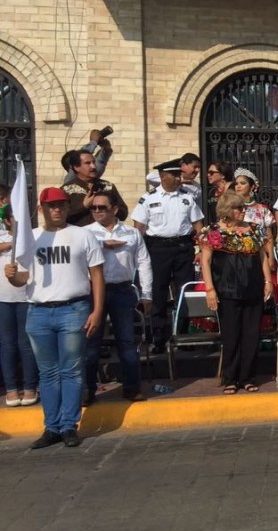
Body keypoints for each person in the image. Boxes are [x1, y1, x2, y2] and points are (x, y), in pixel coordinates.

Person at [5, 187, 105, 449]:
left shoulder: (83, 235)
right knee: (47, 373)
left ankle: (69, 425)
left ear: (69, 207)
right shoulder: (31, 238)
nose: (57, 209)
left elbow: (97, 275)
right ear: (41, 209)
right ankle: (52, 427)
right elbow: (23, 279)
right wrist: (12, 276)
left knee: (71, 370)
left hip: (74, 309)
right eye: (51, 205)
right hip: (38, 311)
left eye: (61, 204)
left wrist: (97, 311)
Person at [200, 192, 273, 394]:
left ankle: (247, 377)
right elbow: (205, 261)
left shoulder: (254, 229)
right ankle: (230, 378)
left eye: (243, 208)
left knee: (251, 335)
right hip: (227, 290)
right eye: (238, 208)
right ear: (227, 210)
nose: (243, 211)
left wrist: (268, 281)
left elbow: (262, 256)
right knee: (231, 335)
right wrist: (209, 289)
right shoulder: (213, 231)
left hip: (253, 288)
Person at [84, 191, 152, 404]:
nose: (97, 211)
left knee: (126, 341)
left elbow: (144, 262)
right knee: (90, 343)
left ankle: (131, 387)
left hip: (122, 289)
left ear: (114, 209)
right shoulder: (85, 233)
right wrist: (102, 245)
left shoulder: (131, 233)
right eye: (93, 208)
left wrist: (146, 294)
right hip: (93, 291)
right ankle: (88, 390)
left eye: (102, 207)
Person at [132, 159, 205, 354]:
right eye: (174, 175)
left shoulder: (187, 197)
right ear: (163, 176)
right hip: (158, 249)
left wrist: (201, 249)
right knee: (159, 292)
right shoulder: (148, 198)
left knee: (184, 291)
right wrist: (138, 253)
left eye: (179, 175)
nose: (179, 178)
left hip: (183, 247)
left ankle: (183, 336)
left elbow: (198, 224)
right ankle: (158, 338)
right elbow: (139, 228)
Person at [0, 203, 37, 407]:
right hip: (3, 299)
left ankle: (30, 386)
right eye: (14, 218)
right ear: (7, 221)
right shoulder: (2, 237)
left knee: (26, 344)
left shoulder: (33, 239)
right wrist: (8, 245)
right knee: (7, 345)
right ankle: (11, 389)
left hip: (26, 298)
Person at [63, 151, 129, 227]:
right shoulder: (66, 189)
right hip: (80, 232)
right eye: (88, 163)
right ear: (76, 167)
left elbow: (123, 212)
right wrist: (83, 206)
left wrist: (108, 210)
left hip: (105, 232)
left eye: (94, 162)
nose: (93, 166)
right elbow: (61, 216)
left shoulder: (107, 186)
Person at [232, 168, 275, 234]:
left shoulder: (263, 209)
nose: (238, 186)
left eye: (242, 183)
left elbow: (269, 236)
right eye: (236, 184)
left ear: (252, 187)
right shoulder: (231, 208)